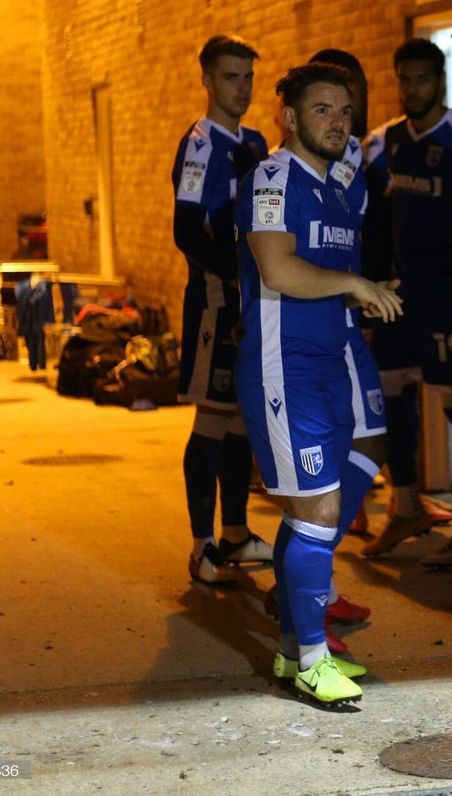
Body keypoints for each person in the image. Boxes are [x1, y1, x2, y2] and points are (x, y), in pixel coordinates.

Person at [235, 62, 403, 708]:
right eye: (322, 109)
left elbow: (328, 273)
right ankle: (311, 660)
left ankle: (291, 642)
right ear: (291, 117)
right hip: (285, 367)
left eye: (344, 111)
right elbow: (277, 269)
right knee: (319, 509)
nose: (337, 121)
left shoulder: (335, 186)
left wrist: (371, 290)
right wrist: (355, 285)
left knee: (328, 491)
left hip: (331, 357)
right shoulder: (273, 178)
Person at [360, 39, 452, 569]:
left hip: (451, 297)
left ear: (439, 82)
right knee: (393, 398)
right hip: (396, 299)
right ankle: (404, 507)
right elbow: (369, 218)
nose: (412, 88)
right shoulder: (381, 143)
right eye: (405, 79)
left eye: (422, 78)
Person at [170, 35, 271, 586]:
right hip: (215, 303)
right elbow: (186, 230)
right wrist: (230, 276)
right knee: (211, 419)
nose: (242, 88)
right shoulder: (200, 144)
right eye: (231, 77)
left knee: (237, 424)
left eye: (248, 77)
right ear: (207, 80)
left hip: (251, 303)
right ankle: (201, 545)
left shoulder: (256, 142)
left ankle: (235, 533)